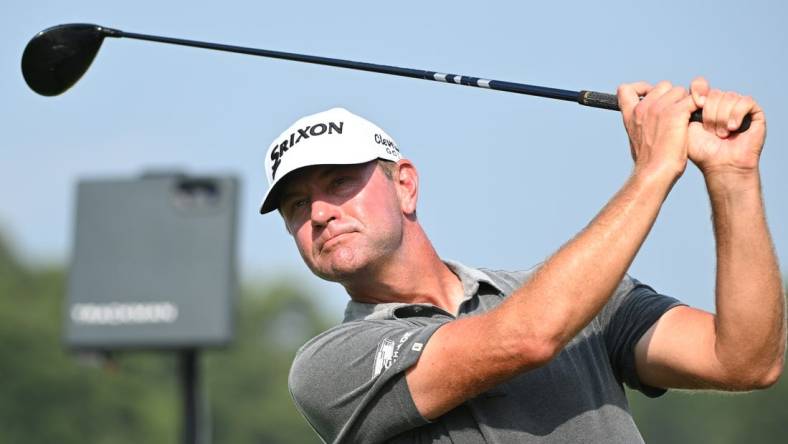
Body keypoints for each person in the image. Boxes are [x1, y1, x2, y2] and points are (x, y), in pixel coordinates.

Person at [258, 77, 786, 443]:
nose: (320, 213)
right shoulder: (329, 364)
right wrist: (654, 170)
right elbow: (526, 338)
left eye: (339, 183)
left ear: (405, 185)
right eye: (296, 205)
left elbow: (746, 360)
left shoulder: (582, 297)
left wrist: (731, 176)